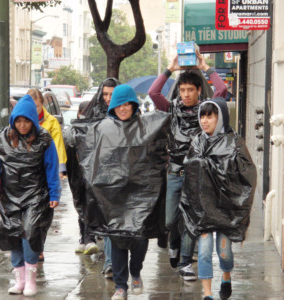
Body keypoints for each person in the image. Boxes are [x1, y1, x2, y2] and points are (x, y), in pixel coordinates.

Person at [74, 84, 170, 300]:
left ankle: (135, 272)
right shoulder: (102, 129)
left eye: (128, 103)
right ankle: (120, 286)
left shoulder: (147, 126)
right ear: (113, 106)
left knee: (140, 239)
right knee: (116, 239)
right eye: (119, 104)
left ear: (134, 105)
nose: (123, 108)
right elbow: (88, 153)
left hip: (141, 196)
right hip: (113, 196)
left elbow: (163, 139)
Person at [148, 51, 227, 281]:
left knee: (191, 220)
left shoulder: (206, 109)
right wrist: (170, 69)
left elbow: (221, 91)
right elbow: (153, 93)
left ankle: (185, 263)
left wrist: (206, 68)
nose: (186, 94)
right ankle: (173, 244)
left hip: (198, 173)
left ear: (198, 90)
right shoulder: (172, 108)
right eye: (182, 90)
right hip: (174, 171)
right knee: (171, 220)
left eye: (190, 90)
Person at [0, 94, 60, 297]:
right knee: (13, 236)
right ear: (13, 121)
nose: (22, 125)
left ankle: (31, 280)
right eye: (18, 121)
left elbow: (51, 168)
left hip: (36, 197)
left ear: (33, 121)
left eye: (26, 120)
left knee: (30, 235)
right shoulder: (2, 140)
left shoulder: (44, 140)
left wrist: (54, 193)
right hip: (9, 196)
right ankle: (20, 280)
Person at [180, 98, 256, 300]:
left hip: (225, 208)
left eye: (210, 116)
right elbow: (190, 175)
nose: (205, 121)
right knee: (204, 251)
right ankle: (207, 294)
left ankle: (226, 275)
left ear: (219, 117)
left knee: (224, 252)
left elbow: (247, 176)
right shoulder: (197, 142)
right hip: (204, 209)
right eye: (202, 116)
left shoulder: (235, 142)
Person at [65, 78, 119, 277]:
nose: (107, 99)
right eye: (105, 94)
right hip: (93, 172)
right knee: (93, 206)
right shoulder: (93, 112)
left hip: (115, 172)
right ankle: (92, 242)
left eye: (112, 94)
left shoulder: (124, 112)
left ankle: (111, 260)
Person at [27, 88, 67, 262]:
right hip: (26, 175)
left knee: (42, 215)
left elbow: (58, 145)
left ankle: (38, 246)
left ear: (42, 105)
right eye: (31, 106)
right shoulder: (22, 122)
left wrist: (60, 169)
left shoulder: (51, 122)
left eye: (36, 106)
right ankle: (29, 246)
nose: (34, 110)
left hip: (44, 173)